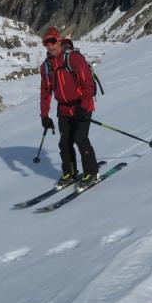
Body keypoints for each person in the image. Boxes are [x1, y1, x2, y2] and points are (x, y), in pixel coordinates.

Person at [39, 26, 100, 188]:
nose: (50, 46)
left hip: (82, 105)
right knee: (64, 143)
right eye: (46, 43)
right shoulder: (46, 67)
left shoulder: (73, 58)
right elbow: (46, 92)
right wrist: (44, 116)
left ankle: (91, 172)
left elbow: (87, 84)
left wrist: (85, 106)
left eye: (52, 41)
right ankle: (70, 172)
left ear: (58, 40)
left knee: (80, 138)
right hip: (64, 109)